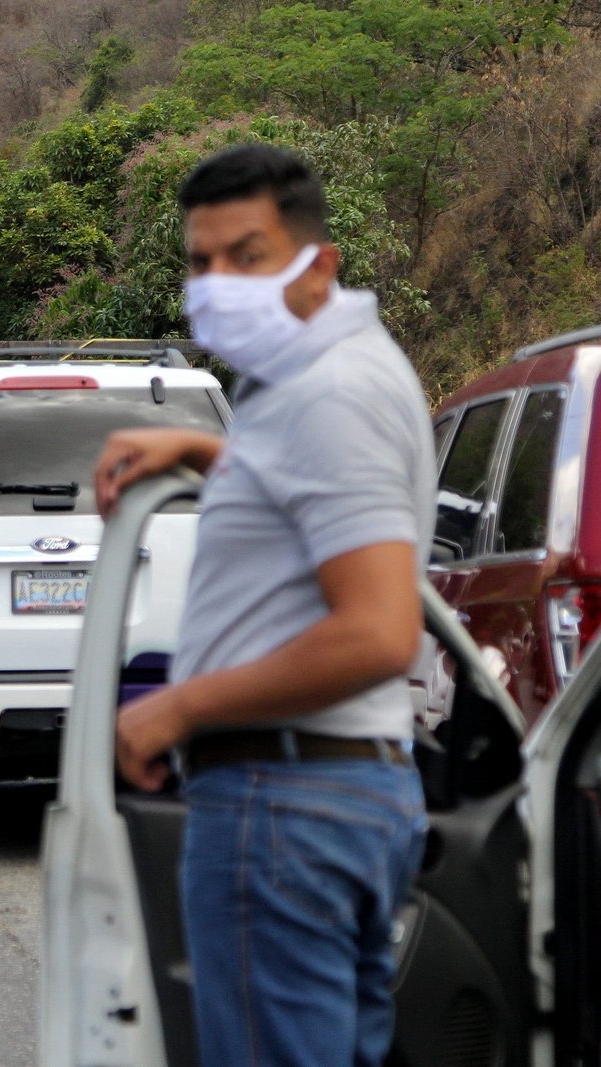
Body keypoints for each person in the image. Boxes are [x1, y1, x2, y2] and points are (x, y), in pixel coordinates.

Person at [92, 143, 433, 1067]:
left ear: (316, 262)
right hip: (326, 797)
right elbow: (313, 502)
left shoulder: (331, 393)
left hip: (283, 806)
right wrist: (205, 455)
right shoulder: (310, 378)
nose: (217, 283)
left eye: (246, 255)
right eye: (201, 261)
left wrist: (177, 706)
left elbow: (376, 629)